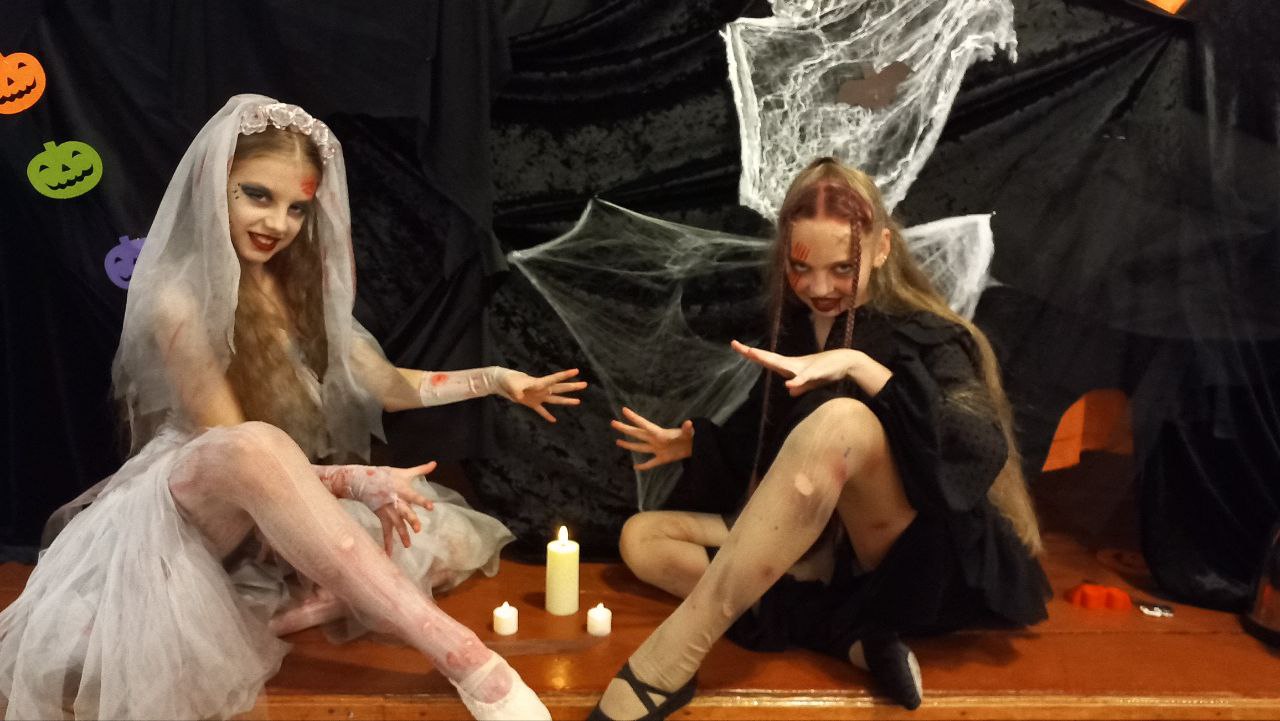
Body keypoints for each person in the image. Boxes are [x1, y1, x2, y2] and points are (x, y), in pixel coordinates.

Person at [0, 95, 585, 721]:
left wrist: (495, 380)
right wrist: (355, 481)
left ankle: (281, 612)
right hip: (199, 501)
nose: (278, 222)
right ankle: (469, 661)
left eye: (297, 207)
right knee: (254, 452)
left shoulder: (296, 290)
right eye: (257, 195)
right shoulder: (180, 299)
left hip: (281, 488)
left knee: (436, 540)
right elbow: (235, 447)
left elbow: (390, 386)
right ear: (215, 187)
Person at [596, 157, 1049, 719]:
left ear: (881, 249)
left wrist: (860, 366)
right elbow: (770, 446)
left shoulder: (929, 338)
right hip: (814, 554)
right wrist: (695, 446)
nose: (819, 288)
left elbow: (972, 445)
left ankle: (670, 659)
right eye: (801, 268)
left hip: (901, 560)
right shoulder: (791, 330)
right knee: (641, 539)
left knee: (841, 421)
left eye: (842, 269)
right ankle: (841, 633)